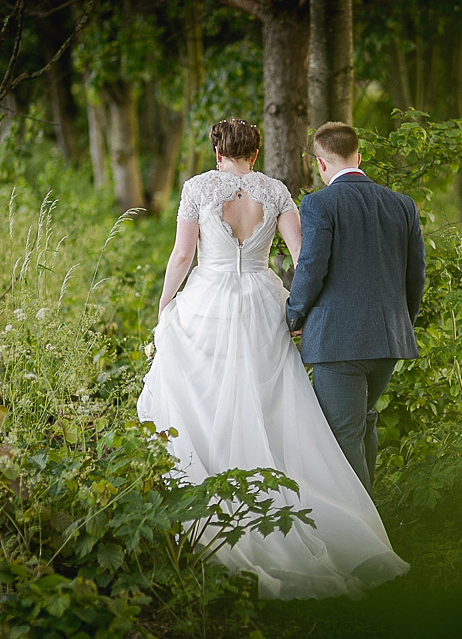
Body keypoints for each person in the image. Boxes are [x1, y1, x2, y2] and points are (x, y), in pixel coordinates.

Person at [136, 118, 409, 600]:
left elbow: (182, 257)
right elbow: (303, 254)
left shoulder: (198, 188)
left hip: (209, 301)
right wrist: (302, 307)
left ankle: (214, 505)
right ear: (255, 153)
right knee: (274, 407)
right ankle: (316, 514)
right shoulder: (275, 189)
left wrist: (165, 308)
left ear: (217, 151)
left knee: (204, 399)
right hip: (264, 300)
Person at [286, 121, 426, 495]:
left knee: (342, 438)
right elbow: (416, 277)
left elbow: (312, 267)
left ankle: (366, 540)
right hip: (389, 340)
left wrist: (293, 316)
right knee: (364, 422)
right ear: (358, 156)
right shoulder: (402, 205)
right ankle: (372, 522)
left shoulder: (319, 203)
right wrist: (400, 325)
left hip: (338, 343)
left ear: (321, 164)